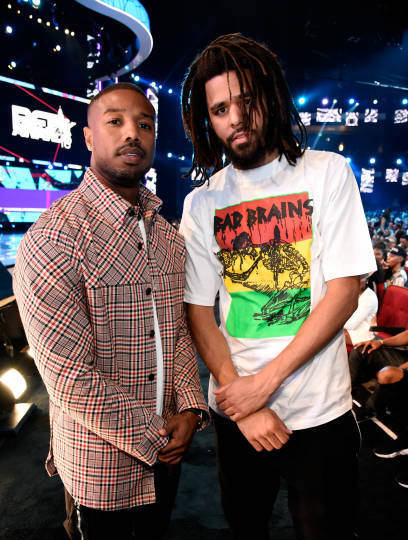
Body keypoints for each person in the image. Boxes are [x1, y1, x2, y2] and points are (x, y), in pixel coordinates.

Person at [179, 33, 376, 540]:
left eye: (245, 101)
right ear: (208, 119)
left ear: (269, 95)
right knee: (246, 527)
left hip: (320, 410)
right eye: (220, 109)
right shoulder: (202, 203)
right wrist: (241, 402)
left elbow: (344, 291)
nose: (236, 118)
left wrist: (261, 387)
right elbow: (199, 311)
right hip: (238, 410)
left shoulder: (326, 173)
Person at [13, 82, 208, 540]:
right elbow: (69, 377)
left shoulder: (165, 235)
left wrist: (191, 409)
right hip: (101, 464)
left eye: (144, 124)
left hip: (168, 451)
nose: (132, 134)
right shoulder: (54, 238)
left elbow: (177, 333)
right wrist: (155, 436)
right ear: (87, 137)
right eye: (115, 121)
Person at [344, 276, 378, 346]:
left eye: (361, 278)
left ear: (367, 280)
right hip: (348, 329)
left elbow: (351, 325)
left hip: (362, 334)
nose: (357, 280)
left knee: (329, 333)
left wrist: (334, 320)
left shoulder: (369, 297)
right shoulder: (349, 291)